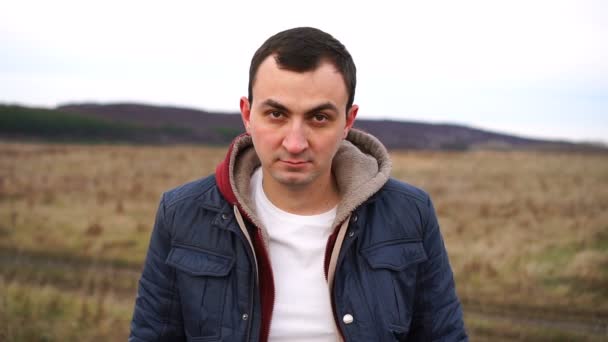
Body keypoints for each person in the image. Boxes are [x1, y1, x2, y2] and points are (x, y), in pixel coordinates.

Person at [129, 27, 467, 341]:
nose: (294, 143)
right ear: (247, 115)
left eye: (319, 118)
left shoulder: (409, 213)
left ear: (348, 121)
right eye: (276, 114)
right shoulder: (182, 214)